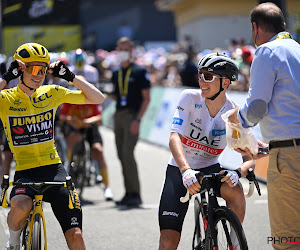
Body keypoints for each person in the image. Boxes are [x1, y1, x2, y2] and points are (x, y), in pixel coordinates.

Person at [0, 42, 105, 250]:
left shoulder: (52, 92)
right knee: (20, 206)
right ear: (20, 70)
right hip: (25, 171)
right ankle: (13, 239)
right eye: (34, 69)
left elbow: (97, 98)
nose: (39, 75)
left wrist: (71, 77)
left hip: (54, 169)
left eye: (44, 69)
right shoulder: (6, 99)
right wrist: (5, 78)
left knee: (76, 235)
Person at [158, 53, 255, 250]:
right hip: (180, 169)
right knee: (168, 241)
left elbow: (250, 157)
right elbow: (174, 137)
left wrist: (238, 172)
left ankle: (234, 245)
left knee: (235, 191)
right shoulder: (189, 97)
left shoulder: (233, 112)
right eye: (200, 75)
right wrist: (185, 171)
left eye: (208, 77)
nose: (201, 80)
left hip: (210, 168)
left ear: (225, 82)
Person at [226, 3, 300, 249]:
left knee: (287, 238)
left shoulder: (267, 52)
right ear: (284, 26)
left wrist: (238, 121)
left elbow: (257, 107)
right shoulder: (298, 49)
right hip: (288, 145)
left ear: (255, 28)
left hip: (289, 154)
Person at [60, 48, 114, 201]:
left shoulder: (92, 98)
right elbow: (63, 115)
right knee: (73, 139)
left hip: (89, 127)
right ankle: (70, 167)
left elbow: (98, 118)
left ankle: (107, 187)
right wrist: (72, 121)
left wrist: (85, 122)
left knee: (98, 149)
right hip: (75, 127)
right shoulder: (70, 97)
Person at [108, 37, 151, 207]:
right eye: (119, 49)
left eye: (125, 49)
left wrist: (138, 119)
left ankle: (135, 193)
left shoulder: (139, 71)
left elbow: (146, 98)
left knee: (127, 154)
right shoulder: (116, 72)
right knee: (121, 155)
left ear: (131, 51)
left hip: (132, 116)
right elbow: (113, 95)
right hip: (118, 114)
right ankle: (128, 192)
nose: (122, 52)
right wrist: (103, 89)